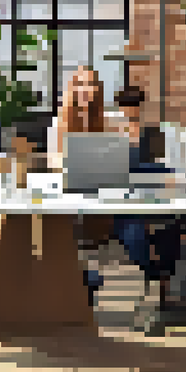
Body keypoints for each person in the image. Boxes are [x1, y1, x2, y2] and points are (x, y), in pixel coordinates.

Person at [110, 84, 186, 330]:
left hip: (156, 197)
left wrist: (160, 177)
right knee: (135, 235)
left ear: (141, 107)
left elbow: (167, 169)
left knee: (169, 228)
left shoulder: (155, 134)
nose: (130, 113)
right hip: (125, 201)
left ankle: (164, 290)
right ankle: (156, 281)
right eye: (126, 108)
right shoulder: (113, 134)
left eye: (134, 107)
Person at [52, 67, 109, 304]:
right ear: (73, 89)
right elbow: (53, 160)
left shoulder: (105, 121)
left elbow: (113, 157)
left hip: (98, 189)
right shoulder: (60, 121)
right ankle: (80, 280)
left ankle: (88, 276)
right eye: (82, 84)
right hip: (69, 187)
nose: (87, 90)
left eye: (91, 85)